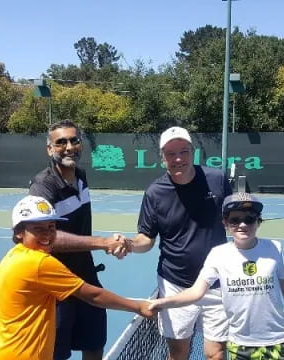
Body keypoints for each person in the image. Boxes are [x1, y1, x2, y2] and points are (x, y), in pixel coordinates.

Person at [0, 195, 154, 360]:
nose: (47, 234)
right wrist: (138, 307)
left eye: (51, 227)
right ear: (19, 232)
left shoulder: (11, 256)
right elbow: (93, 295)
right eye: (38, 228)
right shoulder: (40, 262)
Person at [149, 192, 284, 360]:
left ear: (258, 221)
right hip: (239, 345)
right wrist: (162, 302)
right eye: (235, 219)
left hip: (278, 342)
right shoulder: (218, 254)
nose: (242, 224)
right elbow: (196, 292)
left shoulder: (274, 248)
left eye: (249, 219)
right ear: (225, 223)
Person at [119, 126, 232, 360]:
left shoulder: (218, 180)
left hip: (217, 284)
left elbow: (233, 221)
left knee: (217, 354)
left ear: (193, 152)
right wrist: (129, 244)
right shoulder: (155, 192)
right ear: (162, 158)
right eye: (170, 153)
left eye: (183, 151)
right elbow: (146, 239)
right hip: (175, 284)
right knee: (178, 353)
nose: (178, 158)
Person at [28, 119, 127, 360]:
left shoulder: (81, 176)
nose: (69, 146)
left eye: (74, 140)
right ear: (50, 149)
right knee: (55, 354)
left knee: (93, 344)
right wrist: (102, 243)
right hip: (55, 285)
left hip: (85, 276)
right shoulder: (43, 186)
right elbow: (45, 238)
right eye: (61, 142)